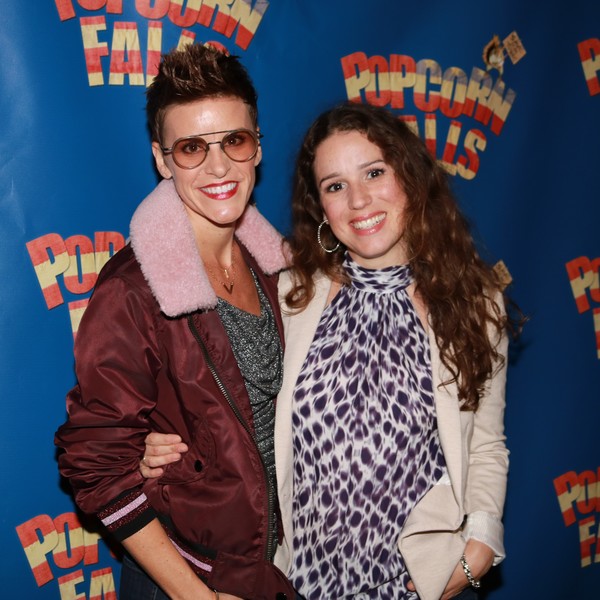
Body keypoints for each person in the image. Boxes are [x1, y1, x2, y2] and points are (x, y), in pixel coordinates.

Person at [141, 102, 518, 600]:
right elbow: (229, 399)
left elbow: (486, 444)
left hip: (414, 583)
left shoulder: (476, 305)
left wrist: (482, 543)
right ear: (321, 207)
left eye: (375, 173)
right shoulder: (292, 293)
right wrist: (159, 445)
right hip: (302, 582)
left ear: (411, 177)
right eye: (335, 186)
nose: (358, 201)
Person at [55, 43, 295, 600]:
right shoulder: (132, 292)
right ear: (162, 160)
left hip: (280, 569)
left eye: (234, 141)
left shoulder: (279, 268)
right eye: (191, 148)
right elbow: (94, 462)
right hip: (188, 580)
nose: (218, 167)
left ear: (257, 146)